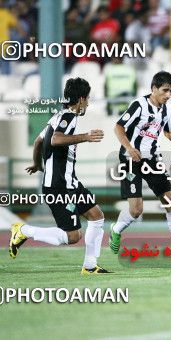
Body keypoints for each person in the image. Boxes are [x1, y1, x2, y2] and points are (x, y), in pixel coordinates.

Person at [10, 78, 110, 274]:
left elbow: (39, 142)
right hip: (60, 186)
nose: (88, 103)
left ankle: (90, 267)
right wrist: (86, 137)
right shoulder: (69, 117)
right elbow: (55, 140)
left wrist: (37, 164)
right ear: (81, 99)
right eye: (87, 99)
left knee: (97, 216)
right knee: (72, 236)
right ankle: (23, 231)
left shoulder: (56, 117)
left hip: (70, 183)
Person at [108, 71, 171, 264]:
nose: (168, 95)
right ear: (153, 89)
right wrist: (130, 148)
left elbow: (169, 134)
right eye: (165, 90)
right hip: (130, 159)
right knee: (136, 211)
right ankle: (115, 230)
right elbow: (118, 127)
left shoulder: (166, 110)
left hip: (153, 160)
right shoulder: (139, 105)